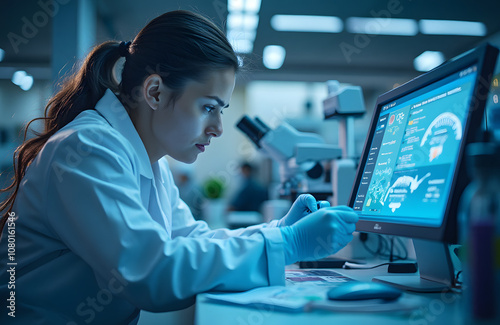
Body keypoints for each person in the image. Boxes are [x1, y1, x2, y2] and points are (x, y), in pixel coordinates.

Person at [0, 10, 358, 324]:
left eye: (222, 110)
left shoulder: (149, 163)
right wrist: (289, 243)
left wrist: (278, 230)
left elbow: (189, 239)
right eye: (208, 107)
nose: (218, 127)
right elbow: (152, 273)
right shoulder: (86, 150)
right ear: (154, 93)